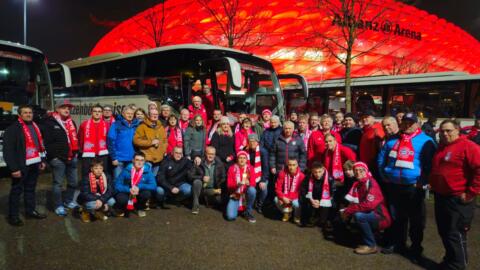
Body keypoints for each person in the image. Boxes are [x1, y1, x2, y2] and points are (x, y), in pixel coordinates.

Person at [377, 112, 436, 260]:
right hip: (394, 185)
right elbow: (381, 160)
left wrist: (423, 181)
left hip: (414, 187)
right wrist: (385, 176)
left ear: (417, 124)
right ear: (401, 123)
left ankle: (416, 247)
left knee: (416, 220)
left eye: (411, 122)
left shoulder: (426, 141)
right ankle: (398, 243)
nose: (408, 125)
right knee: (396, 217)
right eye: (405, 122)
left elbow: (431, 165)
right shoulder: (391, 141)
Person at [429, 119, 480, 270]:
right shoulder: (442, 147)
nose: (445, 134)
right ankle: (450, 260)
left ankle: (458, 265)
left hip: (458, 198)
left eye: (449, 130)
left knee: (455, 233)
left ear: (458, 130)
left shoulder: (469, 146)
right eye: (442, 131)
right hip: (441, 196)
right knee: (444, 232)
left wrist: (470, 193)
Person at [3, 105, 47, 226]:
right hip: (21, 165)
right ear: (19, 115)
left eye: (30, 112)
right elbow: (8, 151)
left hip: (35, 163)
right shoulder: (13, 129)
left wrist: (42, 160)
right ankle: (13, 216)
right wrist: (14, 168)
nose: (28, 114)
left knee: (30, 189)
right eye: (25, 113)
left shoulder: (35, 126)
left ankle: (30, 211)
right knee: (17, 191)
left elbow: (40, 145)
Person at [340, 161, 391, 255]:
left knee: (359, 216)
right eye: (356, 171)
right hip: (373, 214)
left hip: (381, 217)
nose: (358, 173)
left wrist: (348, 211)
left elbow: (369, 205)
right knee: (353, 213)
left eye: (361, 170)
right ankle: (370, 237)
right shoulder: (359, 184)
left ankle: (371, 245)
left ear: (366, 171)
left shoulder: (371, 183)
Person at [40, 100, 80, 216]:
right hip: (58, 159)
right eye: (63, 107)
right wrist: (54, 157)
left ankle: (68, 201)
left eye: (68, 107)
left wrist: (76, 153)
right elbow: (46, 142)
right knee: (58, 184)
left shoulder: (71, 122)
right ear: (57, 109)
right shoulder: (49, 122)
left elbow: (74, 139)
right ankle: (58, 205)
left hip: (72, 157)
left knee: (73, 182)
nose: (67, 109)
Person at [114, 152, 156, 217]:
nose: (139, 162)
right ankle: (122, 208)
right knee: (121, 199)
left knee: (146, 193)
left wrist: (139, 187)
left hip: (139, 192)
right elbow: (117, 185)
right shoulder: (126, 170)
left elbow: (153, 186)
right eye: (137, 160)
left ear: (144, 161)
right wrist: (128, 189)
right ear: (133, 160)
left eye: (142, 160)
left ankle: (140, 208)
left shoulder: (147, 171)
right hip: (128, 191)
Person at [188, 146, 226, 214]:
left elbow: (223, 177)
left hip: (214, 189)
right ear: (205, 153)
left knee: (222, 200)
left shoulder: (220, 164)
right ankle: (195, 206)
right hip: (201, 189)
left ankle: (208, 199)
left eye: (213, 154)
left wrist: (220, 187)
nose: (211, 156)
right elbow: (190, 175)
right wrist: (202, 177)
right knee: (197, 182)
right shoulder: (199, 162)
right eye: (209, 154)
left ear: (215, 155)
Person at [107, 105, 140, 178]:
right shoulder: (116, 124)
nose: (130, 115)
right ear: (123, 114)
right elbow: (110, 141)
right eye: (128, 113)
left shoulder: (136, 124)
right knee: (118, 180)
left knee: (130, 181)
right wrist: (113, 157)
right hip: (119, 159)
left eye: (131, 114)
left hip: (132, 159)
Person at [78, 105, 109, 179]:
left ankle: (102, 190)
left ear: (102, 113)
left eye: (99, 111)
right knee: (86, 174)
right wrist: (81, 150)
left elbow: (109, 139)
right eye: (95, 111)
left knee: (102, 174)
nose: (97, 113)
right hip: (88, 154)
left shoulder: (107, 125)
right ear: (91, 112)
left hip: (102, 154)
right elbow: (80, 138)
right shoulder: (84, 124)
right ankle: (86, 190)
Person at [133, 108, 167, 176]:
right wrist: (151, 142)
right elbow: (136, 140)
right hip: (147, 158)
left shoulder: (161, 127)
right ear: (148, 115)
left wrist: (163, 151)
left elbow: (165, 140)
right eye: (153, 114)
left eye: (156, 114)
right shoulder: (142, 126)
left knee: (154, 178)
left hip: (159, 158)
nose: (155, 116)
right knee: (145, 178)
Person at [300, 162, 335, 227]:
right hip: (312, 198)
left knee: (332, 204)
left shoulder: (330, 179)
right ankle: (309, 217)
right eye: (315, 172)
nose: (318, 174)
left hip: (324, 199)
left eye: (319, 172)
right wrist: (311, 199)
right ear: (312, 171)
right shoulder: (308, 177)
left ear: (323, 170)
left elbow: (332, 193)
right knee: (303, 200)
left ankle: (328, 219)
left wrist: (321, 201)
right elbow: (303, 190)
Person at [225, 151, 257, 223]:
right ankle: (238, 209)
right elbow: (229, 186)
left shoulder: (250, 168)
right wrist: (238, 185)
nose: (242, 160)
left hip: (245, 194)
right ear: (237, 159)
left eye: (244, 158)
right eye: (240, 158)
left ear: (246, 160)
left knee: (252, 190)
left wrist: (248, 183)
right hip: (235, 194)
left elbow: (253, 184)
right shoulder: (232, 168)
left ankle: (248, 212)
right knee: (230, 217)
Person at [275, 158, 306, 224]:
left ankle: (296, 216)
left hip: (295, 197)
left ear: (297, 165)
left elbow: (302, 192)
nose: (291, 167)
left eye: (293, 165)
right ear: (287, 165)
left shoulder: (302, 176)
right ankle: (287, 213)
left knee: (297, 204)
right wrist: (282, 197)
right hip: (285, 196)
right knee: (275, 199)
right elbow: (278, 188)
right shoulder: (282, 173)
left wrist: (289, 199)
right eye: (290, 165)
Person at [246, 134, 267, 213]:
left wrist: (263, 180)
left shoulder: (263, 151)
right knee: (251, 190)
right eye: (250, 141)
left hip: (260, 175)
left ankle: (259, 204)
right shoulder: (246, 150)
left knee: (264, 189)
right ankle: (250, 203)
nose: (252, 143)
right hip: (250, 175)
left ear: (257, 142)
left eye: (254, 141)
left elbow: (265, 167)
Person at [260, 115, 282, 184]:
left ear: (278, 122)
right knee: (267, 174)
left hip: (277, 156)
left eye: (275, 122)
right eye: (272, 122)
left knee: (276, 176)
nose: (273, 124)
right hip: (266, 154)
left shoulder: (282, 131)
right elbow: (261, 143)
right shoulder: (266, 131)